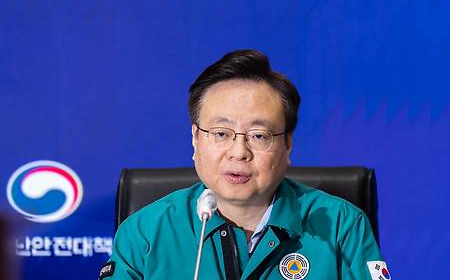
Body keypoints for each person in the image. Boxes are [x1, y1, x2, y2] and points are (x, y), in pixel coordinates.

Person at [100, 49, 389, 280]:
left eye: (258, 135)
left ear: (287, 144)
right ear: (195, 139)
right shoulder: (145, 231)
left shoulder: (342, 226)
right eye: (221, 134)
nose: (239, 152)